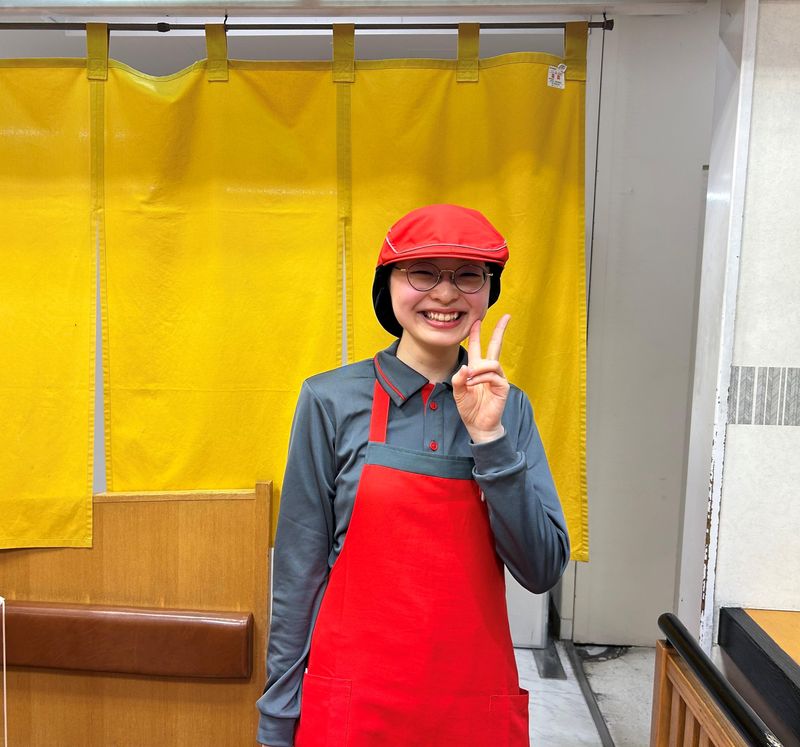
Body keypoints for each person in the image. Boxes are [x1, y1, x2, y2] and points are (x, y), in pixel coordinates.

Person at [257, 204, 570, 747]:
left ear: (488, 291)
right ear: (389, 285)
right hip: (352, 706)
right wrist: (278, 719)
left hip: (469, 710)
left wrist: (490, 440)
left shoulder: (508, 409)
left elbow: (541, 568)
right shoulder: (329, 401)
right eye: (422, 272)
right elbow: (297, 575)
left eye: (468, 275)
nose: (445, 294)